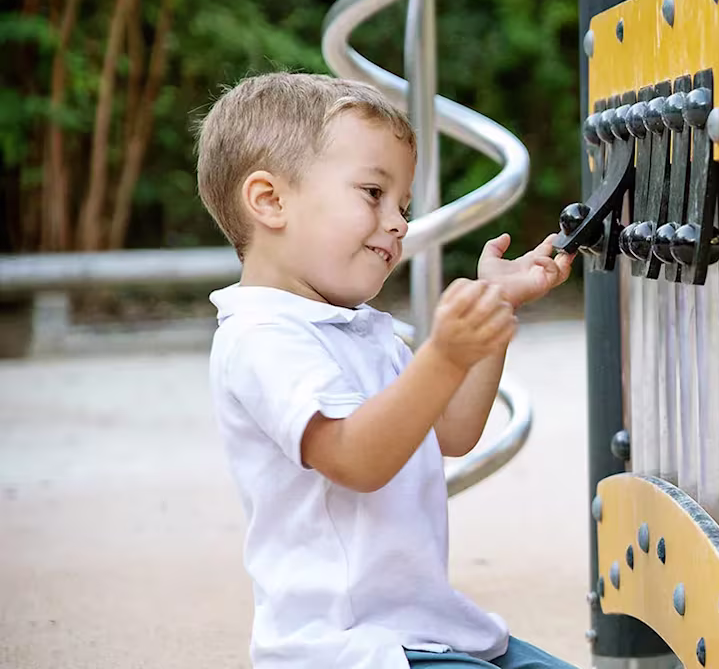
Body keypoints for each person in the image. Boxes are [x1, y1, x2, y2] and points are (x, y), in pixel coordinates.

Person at [194, 72, 578, 669]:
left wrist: (493, 310)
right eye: (373, 193)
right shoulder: (261, 337)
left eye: (402, 205)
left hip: (427, 631)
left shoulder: (358, 326)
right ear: (270, 201)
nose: (399, 222)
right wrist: (443, 355)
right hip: (346, 648)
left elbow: (453, 431)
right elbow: (357, 459)